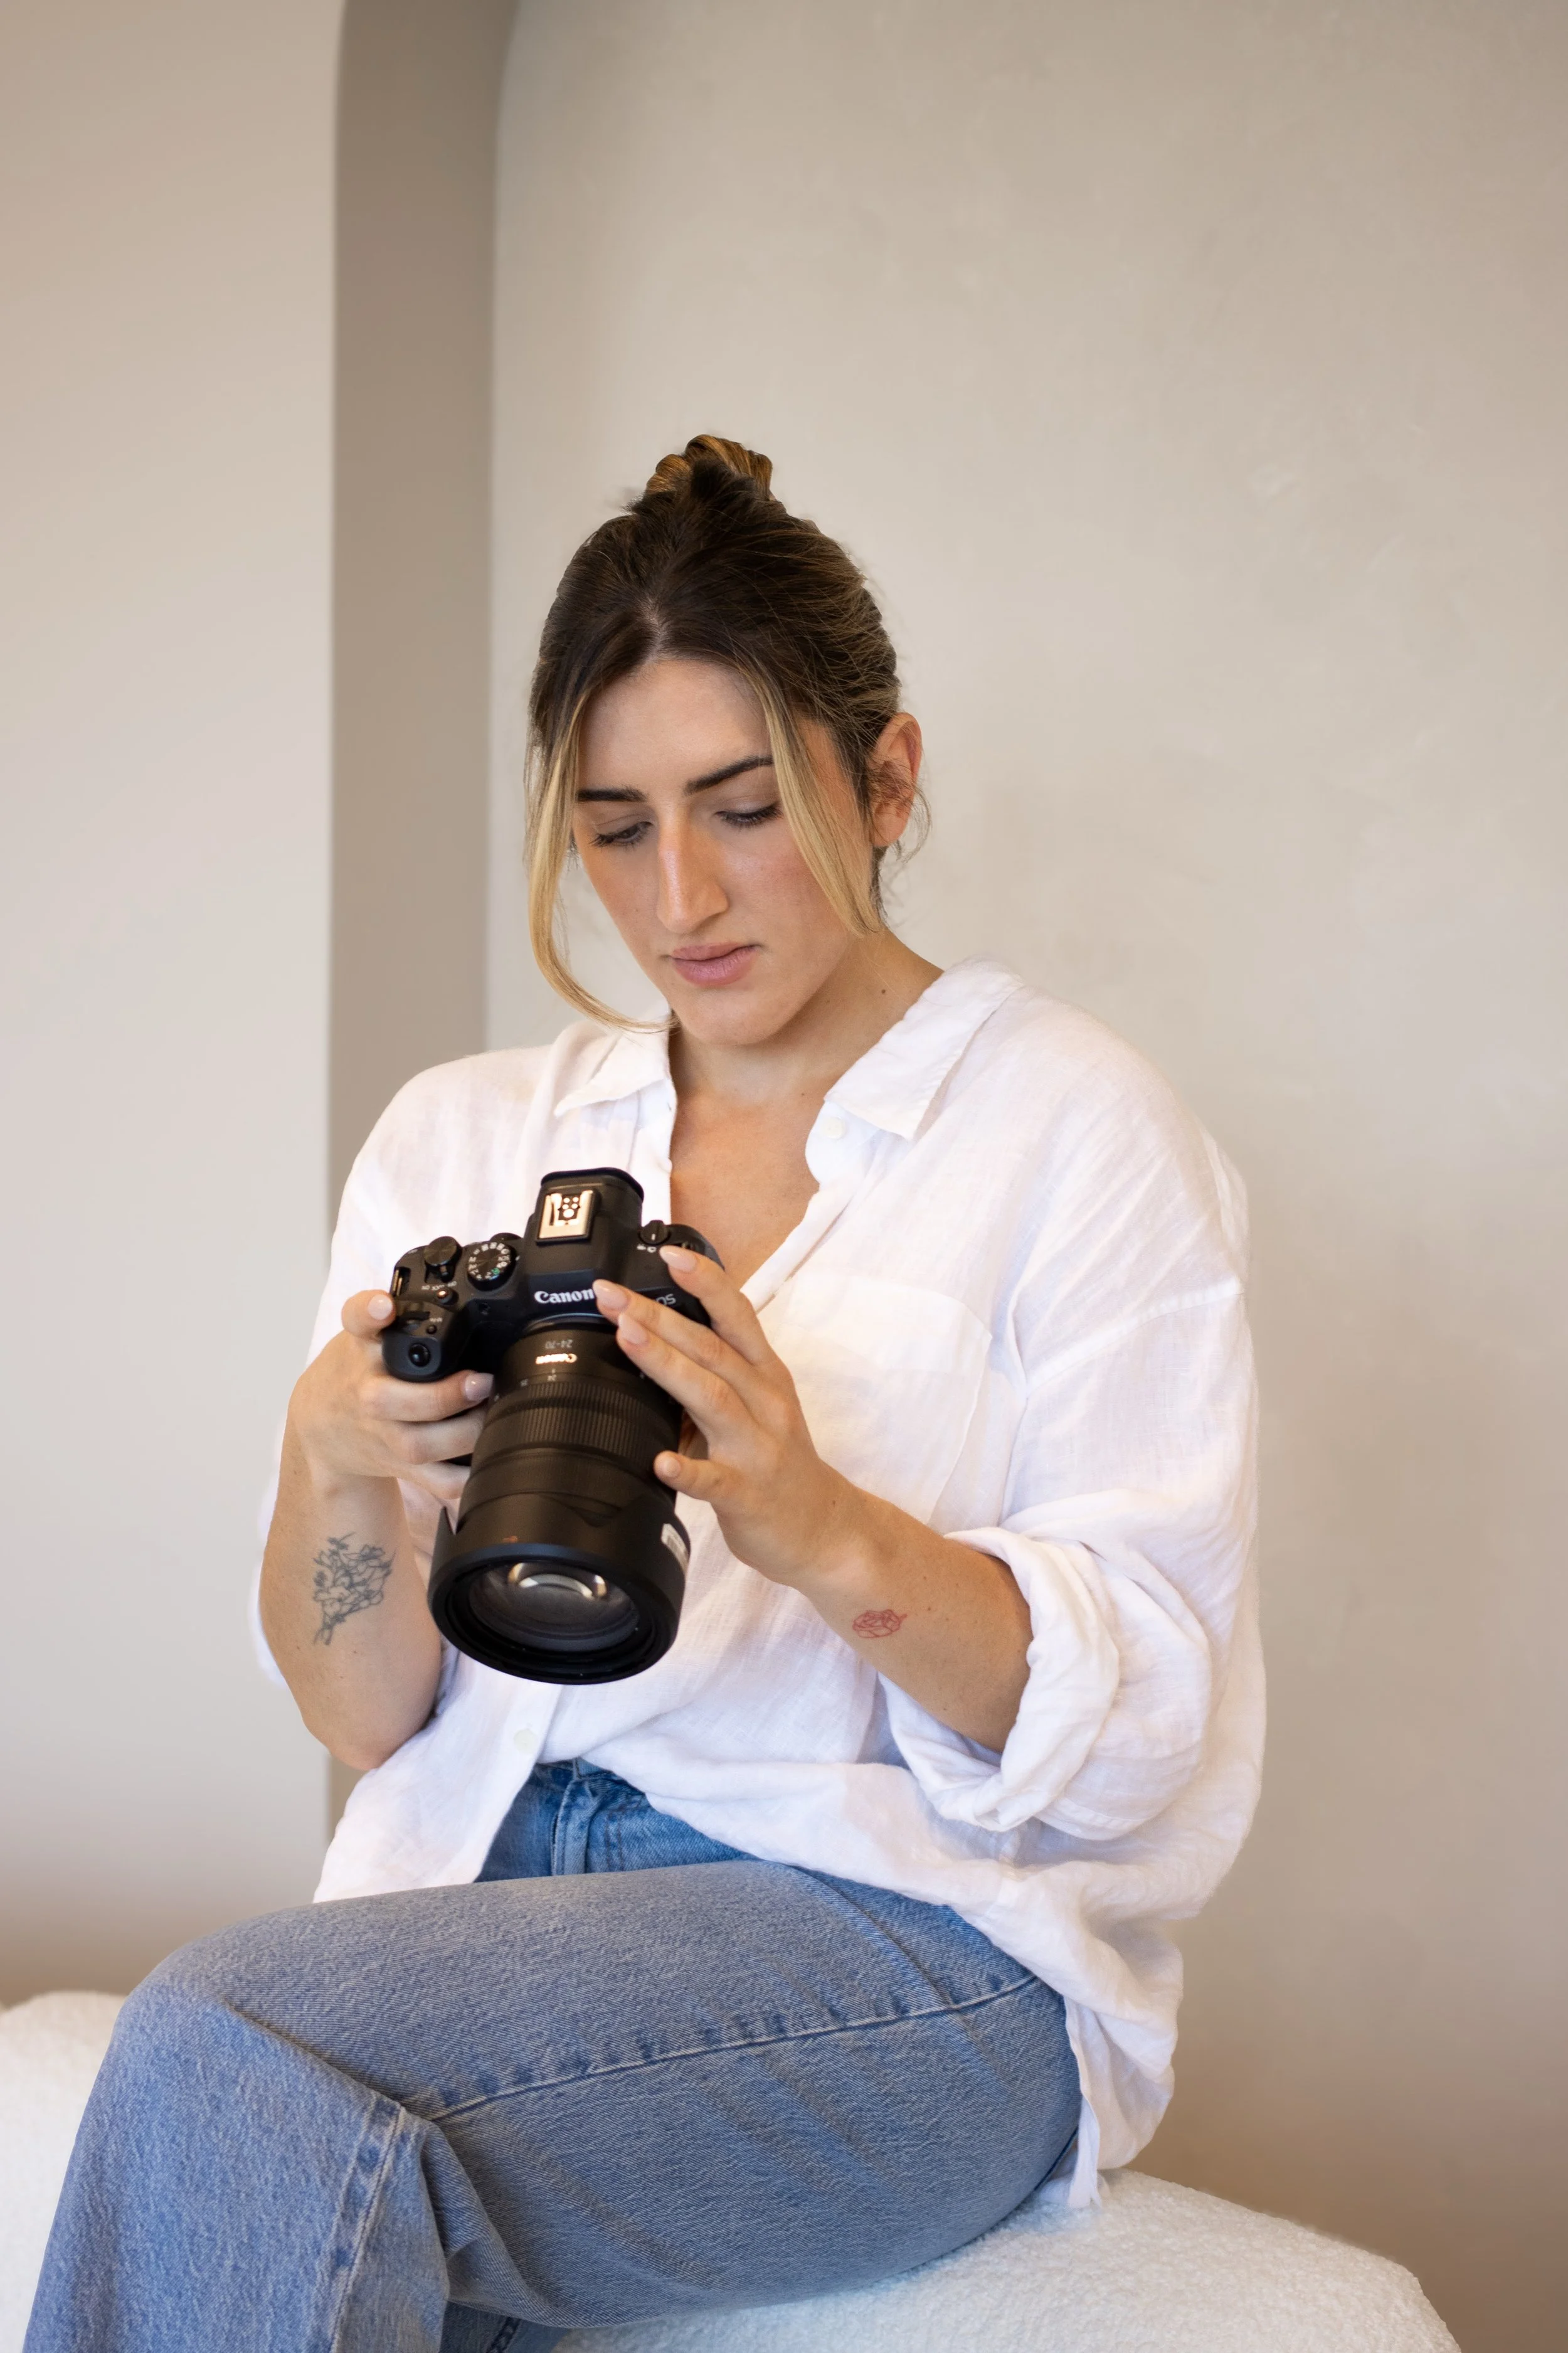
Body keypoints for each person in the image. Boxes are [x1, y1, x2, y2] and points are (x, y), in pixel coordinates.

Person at [26, 437, 1262, 2353]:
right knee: (285, 2108)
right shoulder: (467, 1135)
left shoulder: (1070, 1126)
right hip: (475, 1893)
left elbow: (1139, 1749)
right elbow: (367, 1713)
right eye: (613, 826)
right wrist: (331, 1459)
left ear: (888, 776)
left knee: (228, 2034)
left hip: (901, 1946)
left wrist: (821, 1524)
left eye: (742, 805)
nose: (678, 894)